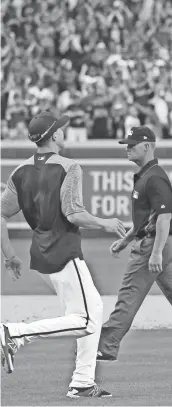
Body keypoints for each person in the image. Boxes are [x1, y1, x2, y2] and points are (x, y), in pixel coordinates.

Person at [0, 111, 126, 398]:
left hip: (41, 254)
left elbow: (1, 213)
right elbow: (73, 213)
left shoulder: (19, 172)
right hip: (63, 250)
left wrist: (9, 256)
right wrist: (105, 222)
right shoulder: (69, 167)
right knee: (87, 321)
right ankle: (14, 333)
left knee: (91, 310)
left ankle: (82, 382)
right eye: (61, 129)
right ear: (54, 135)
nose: (64, 132)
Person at [96, 126, 172, 362]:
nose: (128, 149)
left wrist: (155, 253)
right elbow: (146, 218)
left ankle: (105, 346)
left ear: (147, 146)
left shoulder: (154, 177)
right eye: (127, 145)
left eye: (132, 145)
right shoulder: (147, 175)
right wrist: (125, 240)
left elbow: (163, 217)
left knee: (129, 294)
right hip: (162, 242)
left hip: (155, 244)